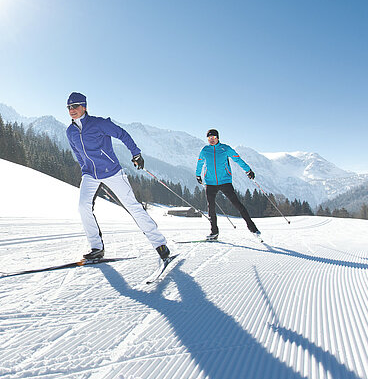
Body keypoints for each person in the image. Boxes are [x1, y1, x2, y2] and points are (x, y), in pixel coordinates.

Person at [65, 92, 170, 262]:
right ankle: (96, 248)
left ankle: (159, 243)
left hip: (111, 171)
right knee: (83, 207)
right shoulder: (70, 132)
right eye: (69, 107)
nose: (72, 110)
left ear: (84, 107)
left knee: (132, 206)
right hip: (90, 174)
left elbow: (122, 134)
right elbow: (77, 153)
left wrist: (136, 153)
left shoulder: (99, 123)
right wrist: (84, 168)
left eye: (75, 106)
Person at [195, 128, 260, 240]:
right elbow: (200, 162)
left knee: (237, 205)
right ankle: (214, 233)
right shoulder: (205, 150)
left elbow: (238, 159)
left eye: (214, 137)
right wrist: (198, 175)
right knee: (211, 209)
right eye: (209, 138)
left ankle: (252, 228)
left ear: (218, 138)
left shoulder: (225, 148)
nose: (211, 140)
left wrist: (248, 170)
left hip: (225, 181)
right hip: (210, 183)